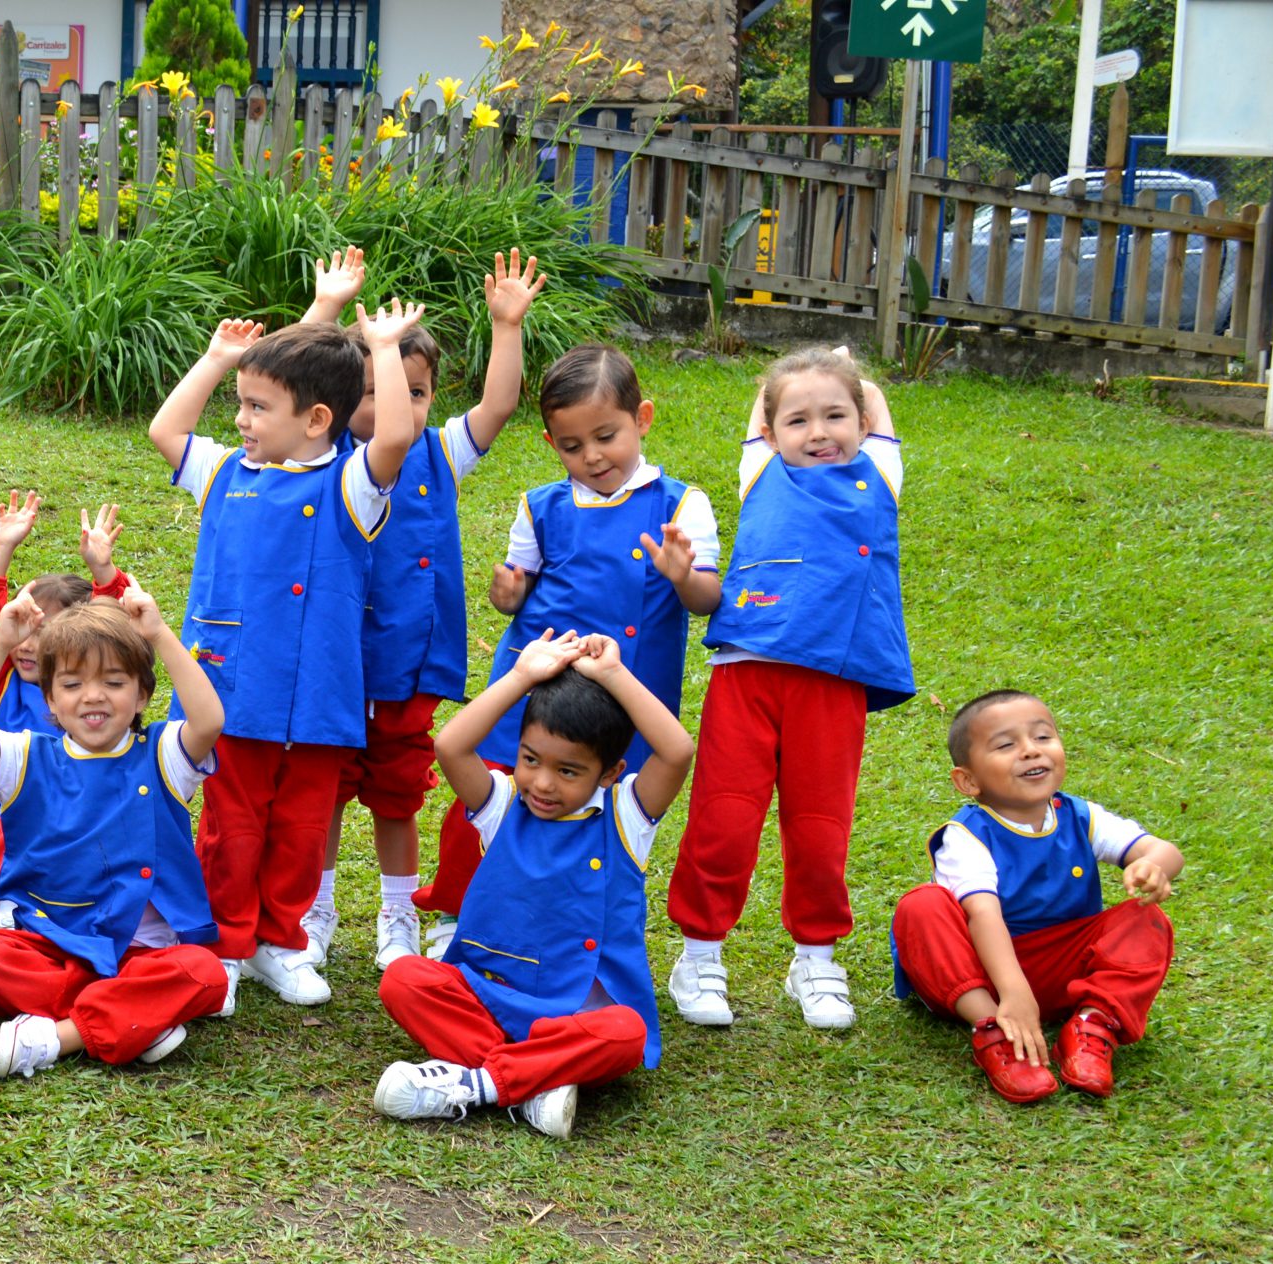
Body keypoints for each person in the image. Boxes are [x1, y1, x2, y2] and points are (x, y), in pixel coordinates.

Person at [145, 290, 460, 1010]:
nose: (241, 419)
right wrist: (217, 360)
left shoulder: (352, 484)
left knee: (300, 830)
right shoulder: (223, 472)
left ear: (317, 420)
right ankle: (225, 945)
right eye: (242, 403)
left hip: (320, 700)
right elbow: (168, 428)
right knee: (231, 829)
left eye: (258, 407)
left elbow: (394, 437)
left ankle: (279, 942)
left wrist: (385, 348)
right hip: (234, 693)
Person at [415, 341, 719, 957]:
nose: (592, 456)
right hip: (535, 683)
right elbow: (517, 588)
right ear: (551, 443)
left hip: (625, 690)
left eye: (606, 437)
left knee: (602, 810)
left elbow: (706, 599)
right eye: (572, 446)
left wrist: (683, 575)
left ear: (642, 419)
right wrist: (508, 594)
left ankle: (578, 925)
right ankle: (458, 907)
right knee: (493, 790)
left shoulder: (681, 505)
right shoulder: (541, 505)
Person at [290, 246, 539, 973]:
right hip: (333, 664)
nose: (395, 404)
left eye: (415, 389)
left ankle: (397, 914)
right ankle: (315, 910)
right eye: (373, 388)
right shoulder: (319, 453)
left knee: (398, 796)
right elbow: (289, 370)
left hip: (407, 666)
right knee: (325, 792)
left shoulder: (440, 455)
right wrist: (327, 308)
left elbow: (498, 406)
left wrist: (506, 326)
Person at [665, 348, 909, 1031]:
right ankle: (699, 954)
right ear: (771, 434)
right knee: (723, 818)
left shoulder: (880, 473)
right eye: (798, 420)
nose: (820, 432)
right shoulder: (761, 470)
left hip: (833, 685)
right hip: (747, 674)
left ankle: (816, 958)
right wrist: (796, 383)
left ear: (863, 423)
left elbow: (871, 410)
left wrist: (849, 370)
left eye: (836, 416)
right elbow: (768, 413)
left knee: (821, 828)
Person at [374, 629, 695, 1140]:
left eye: (568, 771)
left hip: (575, 1017)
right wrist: (521, 675)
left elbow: (677, 752)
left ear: (609, 773)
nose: (543, 783)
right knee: (405, 979)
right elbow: (451, 745)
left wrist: (614, 674)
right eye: (530, 760)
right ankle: (535, 1085)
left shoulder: (626, 816)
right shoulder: (502, 806)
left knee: (626, 1033)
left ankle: (479, 1084)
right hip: (491, 998)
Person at [0, 586, 230, 1079]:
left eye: (114, 682)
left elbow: (209, 721)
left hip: (143, 952)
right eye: (73, 684)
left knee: (204, 974)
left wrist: (159, 634)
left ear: (142, 695)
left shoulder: (163, 754)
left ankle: (58, 1037)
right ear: (50, 701)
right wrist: (0, 641)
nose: (93, 695)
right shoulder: (26, 757)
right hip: (54, 940)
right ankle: (134, 1017)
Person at [890, 690, 1182, 1102]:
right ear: (968, 781)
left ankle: (1092, 1024)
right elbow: (984, 915)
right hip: (981, 978)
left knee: (1145, 918)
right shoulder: (966, 835)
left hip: (1063, 971)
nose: (1030, 750)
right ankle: (996, 1032)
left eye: (1043, 737)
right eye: (1006, 745)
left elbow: (1164, 850)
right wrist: (1012, 992)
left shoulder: (1081, 815)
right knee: (922, 906)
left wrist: (1153, 866)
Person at [0, 494, 130, 901]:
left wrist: (104, 572)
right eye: (25, 628)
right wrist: (1, 548)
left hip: (80, 823)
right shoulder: (0, 684)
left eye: (48, 634)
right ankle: (3, 890)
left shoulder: (95, 697)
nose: (29, 645)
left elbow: (122, 635)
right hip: (2, 825)